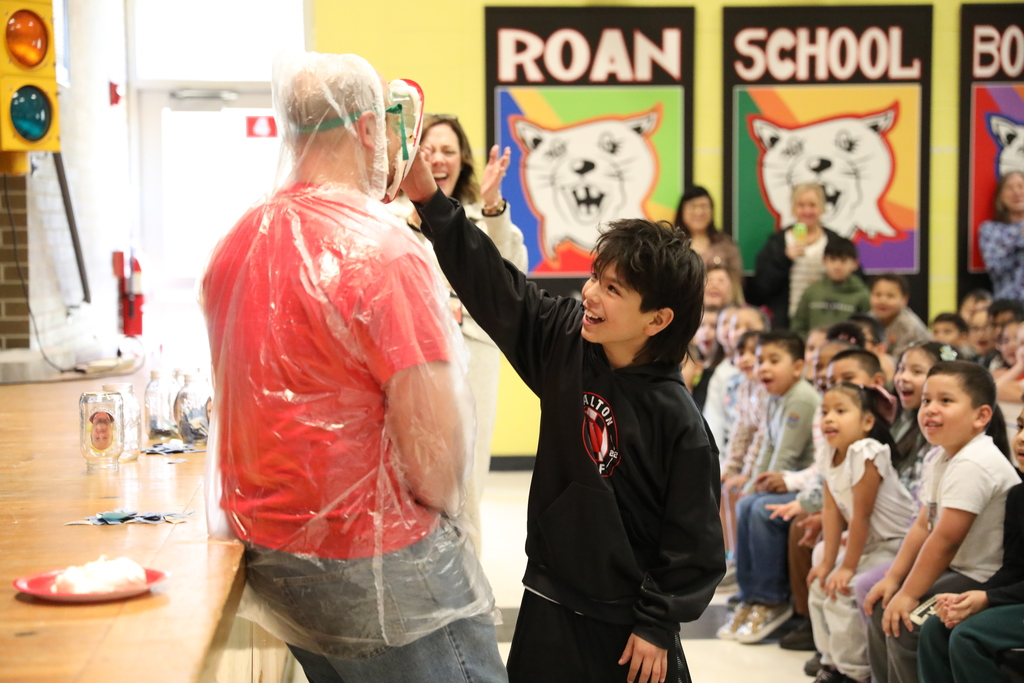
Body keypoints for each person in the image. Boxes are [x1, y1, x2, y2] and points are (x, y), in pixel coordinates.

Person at [199, 52, 505, 683]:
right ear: (370, 130)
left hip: (275, 559)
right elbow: (437, 456)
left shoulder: (233, 247)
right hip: (382, 565)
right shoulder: (386, 251)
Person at [404, 146, 725, 683]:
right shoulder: (564, 342)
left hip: (628, 631)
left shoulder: (681, 424)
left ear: (658, 319)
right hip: (548, 598)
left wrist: (656, 624)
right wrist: (428, 199)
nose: (590, 293)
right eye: (595, 277)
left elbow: (694, 546)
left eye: (613, 289)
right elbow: (493, 284)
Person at [389, 114, 528, 553]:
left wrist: (492, 207)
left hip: (473, 355)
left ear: (462, 161)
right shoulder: (389, 219)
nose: (438, 159)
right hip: (408, 359)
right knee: (410, 469)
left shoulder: (481, 217)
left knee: (466, 474)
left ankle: (468, 593)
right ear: (413, 157)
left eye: (448, 150)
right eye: (428, 150)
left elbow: (511, 275)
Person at [864, 362, 1018, 683]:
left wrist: (908, 594)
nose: (931, 409)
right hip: (957, 570)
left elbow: (945, 540)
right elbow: (923, 526)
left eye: (945, 401)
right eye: (926, 400)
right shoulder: (941, 455)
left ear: (981, 416)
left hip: (980, 576)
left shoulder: (976, 461)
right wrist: (894, 579)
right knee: (883, 607)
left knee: (906, 625)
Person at [808, 382, 915, 683]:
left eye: (841, 411)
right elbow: (831, 512)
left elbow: (862, 517)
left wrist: (846, 568)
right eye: (825, 411)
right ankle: (831, 662)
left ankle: (856, 673)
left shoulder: (866, 452)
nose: (829, 418)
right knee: (820, 582)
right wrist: (828, 564)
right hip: (872, 543)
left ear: (867, 422)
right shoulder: (830, 453)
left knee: (843, 590)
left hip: (898, 543)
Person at [718, 331, 819, 643]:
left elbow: (786, 455)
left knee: (760, 508)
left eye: (774, 361)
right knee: (747, 501)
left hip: (805, 481)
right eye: (761, 361)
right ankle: (750, 594)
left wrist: (759, 487)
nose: (763, 368)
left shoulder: (801, 396)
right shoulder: (775, 397)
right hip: (784, 479)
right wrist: (752, 484)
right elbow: (765, 447)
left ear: (798, 367)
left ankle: (772, 599)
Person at [918, 404, 1024, 683]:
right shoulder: (1018, 496)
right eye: (1022, 427)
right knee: (935, 626)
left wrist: (988, 599)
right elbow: (1014, 569)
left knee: (968, 636)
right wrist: (969, 599)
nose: (1021, 438)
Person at [749, 184, 844, 329]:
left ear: (822, 208)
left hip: (827, 319)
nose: (807, 211)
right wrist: (784, 258)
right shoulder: (778, 242)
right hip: (787, 322)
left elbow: (852, 278)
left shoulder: (834, 241)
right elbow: (762, 287)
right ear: (793, 209)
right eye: (801, 205)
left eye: (813, 205)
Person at [791, 237, 871, 336]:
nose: (837, 266)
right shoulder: (812, 291)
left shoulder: (862, 294)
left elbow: (866, 330)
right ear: (824, 261)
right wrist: (810, 344)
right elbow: (798, 326)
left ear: (855, 264)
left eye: (843, 260)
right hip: (813, 348)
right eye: (832, 259)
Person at [675, 185, 742, 284]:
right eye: (692, 207)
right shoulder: (673, 244)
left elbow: (737, 281)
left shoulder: (726, 244)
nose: (699, 212)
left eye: (704, 206)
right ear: (682, 211)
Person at [978, 171, 1024, 304]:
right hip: (1010, 308)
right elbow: (996, 268)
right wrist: (1019, 238)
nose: (1016, 192)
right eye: (1009, 188)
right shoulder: (991, 230)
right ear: (1000, 196)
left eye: (1021, 186)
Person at [870, 274, 930, 362]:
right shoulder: (867, 320)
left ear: (904, 299)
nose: (882, 300)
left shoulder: (909, 326)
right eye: (877, 295)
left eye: (890, 296)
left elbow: (901, 362)